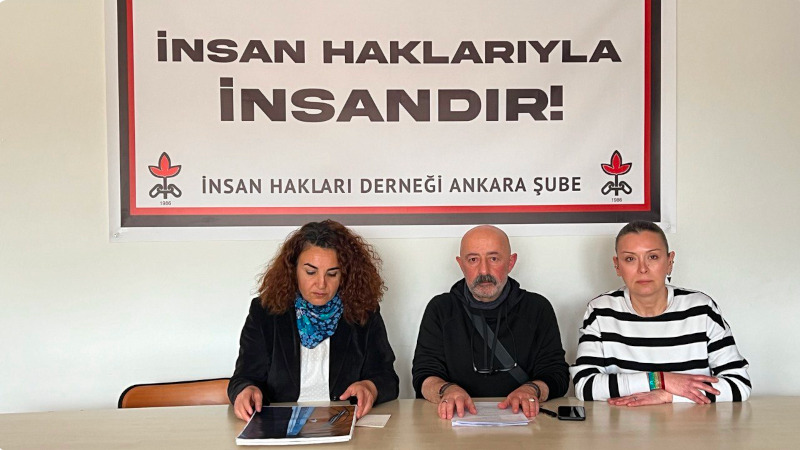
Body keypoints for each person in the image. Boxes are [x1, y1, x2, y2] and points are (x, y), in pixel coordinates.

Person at [228, 220, 399, 421]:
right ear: (293, 269)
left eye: (332, 274)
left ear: (345, 275)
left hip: (344, 422)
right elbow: (243, 377)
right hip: (281, 424)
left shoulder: (363, 311)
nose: (321, 284)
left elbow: (388, 379)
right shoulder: (265, 312)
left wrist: (370, 387)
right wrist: (246, 390)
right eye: (310, 272)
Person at [571, 221, 751, 405]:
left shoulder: (701, 309)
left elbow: (739, 384)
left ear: (669, 262)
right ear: (617, 265)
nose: (643, 269)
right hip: (625, 421)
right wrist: (660, 380)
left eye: (653, 257)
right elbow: (585, 385)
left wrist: (668, 396)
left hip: (694, 422)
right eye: (630, 259)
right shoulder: (600, 311)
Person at [412, 225, 569, 419]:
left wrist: (531, 390)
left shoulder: (537, 308)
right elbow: (423, 376)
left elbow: (557, 374)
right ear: (461, 264)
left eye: (493, 258)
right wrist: (446, 390)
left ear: (511, 262)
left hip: (525, 420)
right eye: (473, 260)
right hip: (455, 419)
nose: (483, 270)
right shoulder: (441, 309)